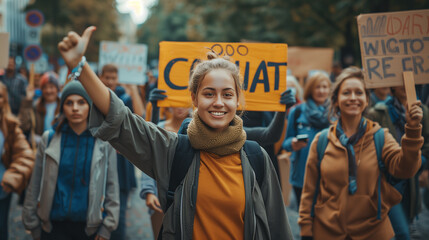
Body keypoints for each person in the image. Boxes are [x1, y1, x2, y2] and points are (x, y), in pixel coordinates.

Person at [57, 27, 293, 239]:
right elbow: (121, 120)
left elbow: (279, 229)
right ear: (194, 99)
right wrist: (81, 66)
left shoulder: (257, 158)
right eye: (209, 93)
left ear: (238, 99)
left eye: (227, 94)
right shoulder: (173, 150)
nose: (219, 102)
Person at [299, 66, 423, 240]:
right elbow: (309, 191)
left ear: (366, 99)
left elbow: (405, 169)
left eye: (359, 93)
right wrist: (306, 230)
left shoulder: (380, 136)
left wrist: (412, 130)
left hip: (373, 232)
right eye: (346, 93)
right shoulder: (321, 141)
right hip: (327, 232)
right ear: (335, 100)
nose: (353, 98)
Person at [22, 81, 120, 240]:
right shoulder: (49, 139)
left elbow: (112, 186)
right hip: (53, 227)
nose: (75, 108)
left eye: (81, 102)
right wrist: (32, 224)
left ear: (90, 106)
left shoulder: (103, 143)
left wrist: (107, 227)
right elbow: (36, 183)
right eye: (69, 103)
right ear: (62, 107)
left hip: (89, 228)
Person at [367, 85, 429, 239]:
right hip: (388, 181)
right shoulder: (378, 112)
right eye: (400, 82)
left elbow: (427, 143)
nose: (405, 86)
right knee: (401, 232)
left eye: (408, 82)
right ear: (392, 86)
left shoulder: (424, 112)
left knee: (406, 221)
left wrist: (419, 162)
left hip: (410, 182)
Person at [99, 64, 138, 240]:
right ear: (100, 77)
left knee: (118, 211)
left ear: (117, 78)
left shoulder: (125, 98)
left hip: (120, 160)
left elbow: (137, 118)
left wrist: (134, 90)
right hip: (100, 158)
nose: (109, 81)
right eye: (106, 77)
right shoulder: (94, 98)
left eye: (113, 78)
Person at [282, 72, 331, 208]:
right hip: (302, 176)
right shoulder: (297, 111)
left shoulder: (336, 112)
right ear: (310, 89)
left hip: (329, 176)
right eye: (317, 87)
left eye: (324, 87)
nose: (321, 90)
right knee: (306, 219)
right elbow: (285, 144)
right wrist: (293, 144)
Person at [0, 82, 35, 240]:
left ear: (5, 100)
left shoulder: (10, 126)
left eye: (0, 96)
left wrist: (12, 178)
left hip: (1, 189)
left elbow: (26, 155)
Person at [19, 72, 61, 146]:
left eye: (51, 87)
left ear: (57, 89)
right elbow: (24, 126)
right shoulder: (35, 106)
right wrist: (28, 100)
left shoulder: (63, 107)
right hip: (40, 149)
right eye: (45, 87)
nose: (48, 91)